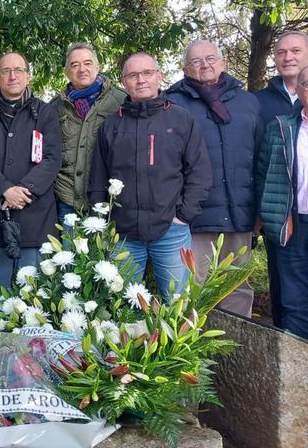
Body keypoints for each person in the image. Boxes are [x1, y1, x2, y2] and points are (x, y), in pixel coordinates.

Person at [88, 52, 212, 301]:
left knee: (179, 306)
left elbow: (200, 172)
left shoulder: (181, 120)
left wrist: (183, 215)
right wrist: (102, 223)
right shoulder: (111, 126)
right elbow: (98, 179)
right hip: (123, 235)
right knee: (122, 308)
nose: (141, 80)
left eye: (147, 73)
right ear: (124, 82)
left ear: (159, 76)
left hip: (171, 231)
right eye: (133, 75)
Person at [167, 40, 260, 317]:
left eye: (210, 58)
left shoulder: (248, 103)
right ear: (185, 69)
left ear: (223, 63)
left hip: (239, 215)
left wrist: (258, 214)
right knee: (191, 287)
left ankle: (233, 354)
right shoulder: (173, 104)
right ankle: (192, 354)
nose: (204, 64)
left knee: (236, 287)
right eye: (196, 61)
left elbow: (259, 157)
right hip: (194, 216)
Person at [0, 51, 62, 311]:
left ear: (28, 76)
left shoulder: (45, 113)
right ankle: (1, 350)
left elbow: (52, 158)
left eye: (18, 70)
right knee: (1, 300)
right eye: (6, 71)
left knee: (35, 301)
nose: (12, 76)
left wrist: (25, 190)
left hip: (36, 215)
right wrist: (5, 189)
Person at [254, 31, 308, 327]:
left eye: (296, 51)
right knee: (288, 294)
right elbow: (259, 165)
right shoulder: (259, 103)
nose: (288, 57)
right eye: (281, 52)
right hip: (286, 217)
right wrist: (259, 215)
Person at [51, 43, 126, 219]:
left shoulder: (121, 100)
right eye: (74, 65)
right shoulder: (55, 107)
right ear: (66, 71)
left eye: (88, 63)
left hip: (109, 201)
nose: (82, 69)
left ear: (98, 67)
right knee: (69, 247)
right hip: (67, 200)